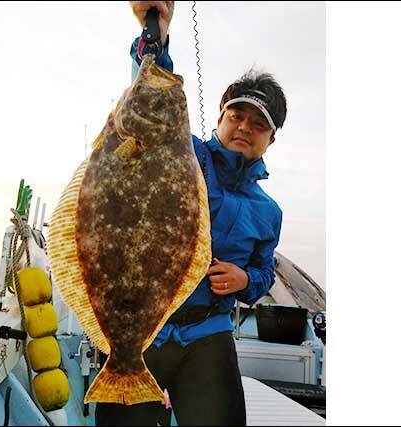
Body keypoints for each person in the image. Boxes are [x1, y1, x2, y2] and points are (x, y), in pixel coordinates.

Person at [95, 2, 286, 425]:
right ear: (219, 118)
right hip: (145, 328)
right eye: (236, 116)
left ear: (271, 140)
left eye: (258, 125)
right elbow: (150, 103)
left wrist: (246, 280)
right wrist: (156, 32)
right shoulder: (182, 153)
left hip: (208, 333)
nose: (243, 128)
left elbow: (264, 271)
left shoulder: (268, 212)